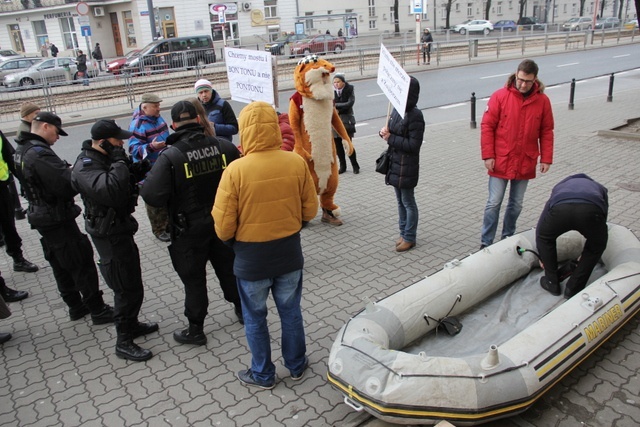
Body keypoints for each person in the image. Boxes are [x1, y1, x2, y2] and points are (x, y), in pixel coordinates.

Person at [213, 101, 319, 389]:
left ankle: (262, 374)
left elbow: (223, 226)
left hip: (251, 260)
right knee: (291, 312)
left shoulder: (235, 170)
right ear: (275, 127)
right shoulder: (295, 161)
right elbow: (310, 211)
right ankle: (296, 365)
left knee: (255, 318)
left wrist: (234, 242)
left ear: (244, 130)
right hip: (288, 254)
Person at [140, 101, 243, 346]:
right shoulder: (225, 147)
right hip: (223, 223)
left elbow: (151, 195)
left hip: (188, 230)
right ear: (199, 120)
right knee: (230, 270)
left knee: (194, 280)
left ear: (174, 125)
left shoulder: (171, 156)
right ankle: (244, 311)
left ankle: (196, 330)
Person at [13, 112, 113, 324]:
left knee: (60, 262)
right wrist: (73, 172)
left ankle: (75, 306)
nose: (58, 138)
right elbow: (65, 184)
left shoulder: (22, 149)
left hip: (42, 216)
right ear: (46, 127)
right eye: (57, 132)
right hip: (56, 216)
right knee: (80, 261)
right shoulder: (40, 154)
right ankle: (97, 309)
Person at [71, 119, 158, 362]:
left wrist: (135, 169)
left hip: (121, 228)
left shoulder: (105, 158)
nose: (121, 142)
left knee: (133, 282)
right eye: (117, 139)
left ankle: (132, 325)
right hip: (108, 234)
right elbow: (110, 190)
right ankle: (123, 341)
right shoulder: (85, 165)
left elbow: (122, 182)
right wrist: (120, 160)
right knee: (123, 287)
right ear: (102, 142)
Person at [480, 59, 554, 249]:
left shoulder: (543, 101)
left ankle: (507, 238)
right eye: (520, 79)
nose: (522, 84)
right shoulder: (500, 96)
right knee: (493, 203)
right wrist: (488, 155)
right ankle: (486, 242)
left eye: (527, 81)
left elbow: (546, 130)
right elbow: (487, 126)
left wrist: (546, 158)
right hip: (501, 159)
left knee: (516, 204)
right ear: (516, 74)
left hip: (524, 160)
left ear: (534, 79)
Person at [536, 174, 609, 299]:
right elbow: (603, 215)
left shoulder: (559, 186)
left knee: (545, 238)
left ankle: (551, 282)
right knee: (597, 245)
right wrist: (595, 237)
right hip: (590, 210)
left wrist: (543, 256)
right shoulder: (599, 187)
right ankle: (574, 287)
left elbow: (541, 228)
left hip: (560, 210)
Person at [0, 129, 39, 297]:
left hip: (2, 186)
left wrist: (24, 182)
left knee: (9, 227)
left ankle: (18, 258)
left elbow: (9, 156)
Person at [128, 93, 171, 242]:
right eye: (155, 106)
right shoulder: (137, 125)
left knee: (166, 198)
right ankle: (159, 230)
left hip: (163, 166)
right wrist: (151, 147)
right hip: (149, 171)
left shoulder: (158, 118)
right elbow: (134, 151)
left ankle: (167, 225)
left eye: (159, 105)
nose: (159, 108)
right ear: (145, 107)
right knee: (154, 201)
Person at [194, 79, 238, 144]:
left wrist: (214, 127)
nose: (204, 95)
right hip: (204, 146)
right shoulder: (196, 108)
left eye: (206, 91)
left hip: (222, 144)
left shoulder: (223, 104)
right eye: (201, 92)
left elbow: (234, 128)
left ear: (211, 90)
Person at [333, 74, 360, 174]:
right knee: (338, 146)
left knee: (348, 144)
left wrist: (336, 106)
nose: (336, 84)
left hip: (346, 121)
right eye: (334, 82)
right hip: (334, 122)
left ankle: (355, 165)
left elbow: (349, 104)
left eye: (338, 82)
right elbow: (328, 104)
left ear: (343, 82)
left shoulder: (349, 90)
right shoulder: (331, 92)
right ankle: (342, 166)